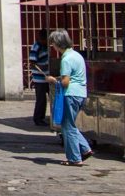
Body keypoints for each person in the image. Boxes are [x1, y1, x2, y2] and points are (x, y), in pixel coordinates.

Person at [45, 29, 93, 166]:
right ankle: (84, 148)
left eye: (53, 44)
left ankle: (74, 157)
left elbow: (66, 82)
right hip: (80, 93)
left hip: (70, 94)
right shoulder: (77, 56)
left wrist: (53, 80)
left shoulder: (66, 59)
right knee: (69, 124)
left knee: (68, 126)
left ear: (57, 43)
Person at [29, 29, 49, 126]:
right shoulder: (36, 47)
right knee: (41, 100)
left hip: (47, 77)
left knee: (52, 98)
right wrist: (42, 70)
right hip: (39, 78)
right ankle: (38, 118)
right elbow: (32, 63)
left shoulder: (46, 47)